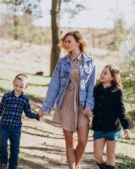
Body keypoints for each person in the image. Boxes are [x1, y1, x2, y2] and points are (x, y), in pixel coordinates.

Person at [38, 31, 96, 169]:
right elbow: (54, 86)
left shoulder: (90, 62)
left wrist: (89, 106)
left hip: (83, 105)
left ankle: (75, 163)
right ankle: (73, 167)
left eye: (69, 41)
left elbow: (91, 87)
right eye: (65, 42)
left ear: (78, 42)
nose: (66, 44)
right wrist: (46, 107)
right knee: (69, 142)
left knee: (82, 141)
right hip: (66, 104)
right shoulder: (62, 63)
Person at [0, 74, 43, 169]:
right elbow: (0, 110)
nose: (18, 88)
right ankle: (3, 163)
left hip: (16, 128)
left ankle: (13, 166)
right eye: (16, 86)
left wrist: (37, 116)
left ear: (25, 87)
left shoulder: (25, 99)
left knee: (14, 150)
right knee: (2, 145)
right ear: (13, 84)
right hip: (4, 126)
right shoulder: (7, 96)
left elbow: (28, 113)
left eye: (21, 87)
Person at [91, 65, 131, 169]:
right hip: (99, 127)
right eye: (102, 72)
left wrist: (126, 127)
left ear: (112, 77)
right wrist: (89, 112)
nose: (102, 75)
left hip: (112, 129)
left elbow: (121, 110)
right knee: (98, 156)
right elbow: (93, 106)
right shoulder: (96, 89)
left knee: (110, 156)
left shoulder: (117, 91)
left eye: (105, 73)